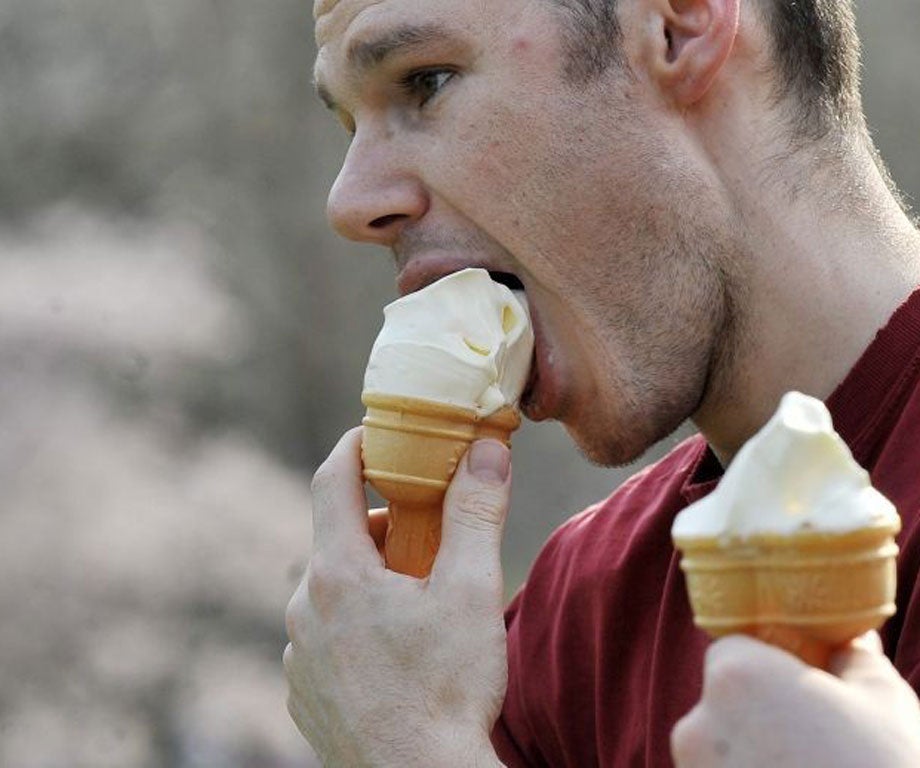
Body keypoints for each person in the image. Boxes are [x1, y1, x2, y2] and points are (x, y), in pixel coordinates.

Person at [284, 0, 920, 764]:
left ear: (677, 27)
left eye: (426, 81)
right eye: (351, 127)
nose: (349, 204)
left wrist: (411, 750)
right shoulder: (573, 617)